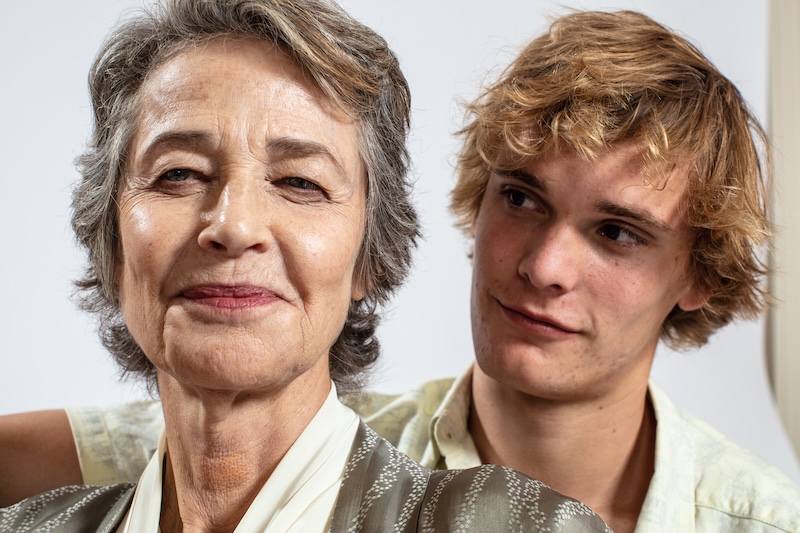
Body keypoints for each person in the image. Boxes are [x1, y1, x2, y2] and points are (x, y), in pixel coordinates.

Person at [2, 6, 798, 533]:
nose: (546, 265)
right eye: (520, 197)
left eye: (617, 233)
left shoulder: (761, 516)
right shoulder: (266, 405)